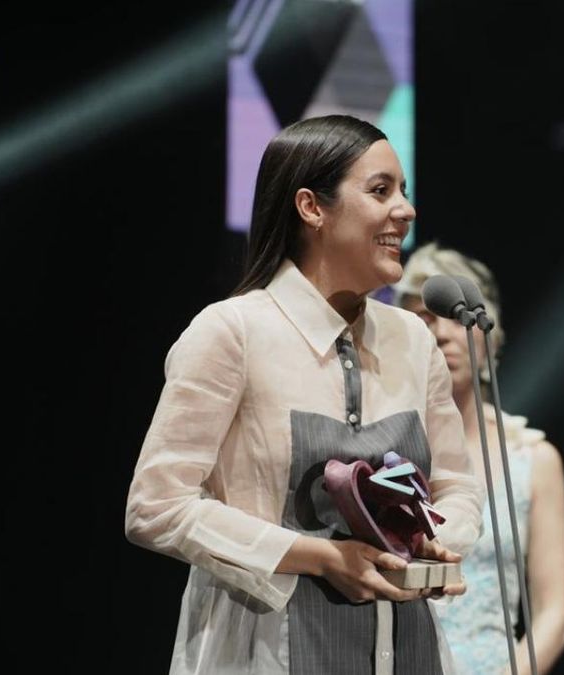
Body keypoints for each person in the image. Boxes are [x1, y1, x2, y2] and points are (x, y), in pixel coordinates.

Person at [125, 116, 483, 675]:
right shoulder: (233, 332)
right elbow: (156, 506)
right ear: (312, 208)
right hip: (266, 649)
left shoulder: (413, 339)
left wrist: (432, 543)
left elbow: (456, 486)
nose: (406, 210)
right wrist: (320, 557)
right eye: (381, 190)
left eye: (404, 192)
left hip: (406, 648)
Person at [394, 244, 564, 674]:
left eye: (457, 318)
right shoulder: (383, 449)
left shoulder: (534, 459)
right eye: (424, 318)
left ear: (487, 332)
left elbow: (554, 613)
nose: (442, 334)